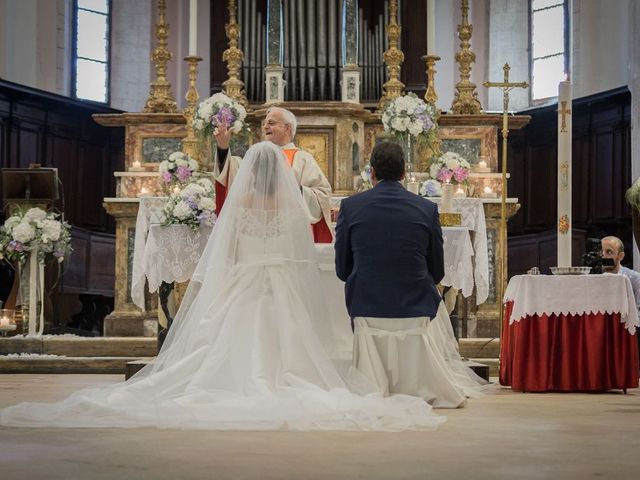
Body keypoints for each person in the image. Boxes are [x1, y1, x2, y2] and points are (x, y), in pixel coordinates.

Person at [0, 142, 445, 431]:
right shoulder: (293, 207)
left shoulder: (239, 203)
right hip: (283, 286)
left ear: (250, 171)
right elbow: (302, 256)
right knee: (292, 345)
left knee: (220, 344)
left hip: (244, 286)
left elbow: (227, 253)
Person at [335, 142, 488, 408]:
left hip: (366, 304)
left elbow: (342, 270)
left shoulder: (351, 207)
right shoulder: (426, 209)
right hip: (415, 305)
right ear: (405, 173)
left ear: (372, 173)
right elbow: (437, 271)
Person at [214, 106, 333, 243]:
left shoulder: (303, 159)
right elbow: (232, 176)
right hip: (254, 237)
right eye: (264, 123)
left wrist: (295, 190)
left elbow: (322, 195)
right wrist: (223, 147)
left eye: (271, 123)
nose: (265, 127)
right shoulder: (255, 157)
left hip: (289, 236)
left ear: (287, 128)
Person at [601, 235, 640, 364]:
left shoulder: (634, 278)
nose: (604, 256)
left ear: (621, 256)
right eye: (602, 252)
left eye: (609, 252)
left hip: (627, 333)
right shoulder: (596, 280)